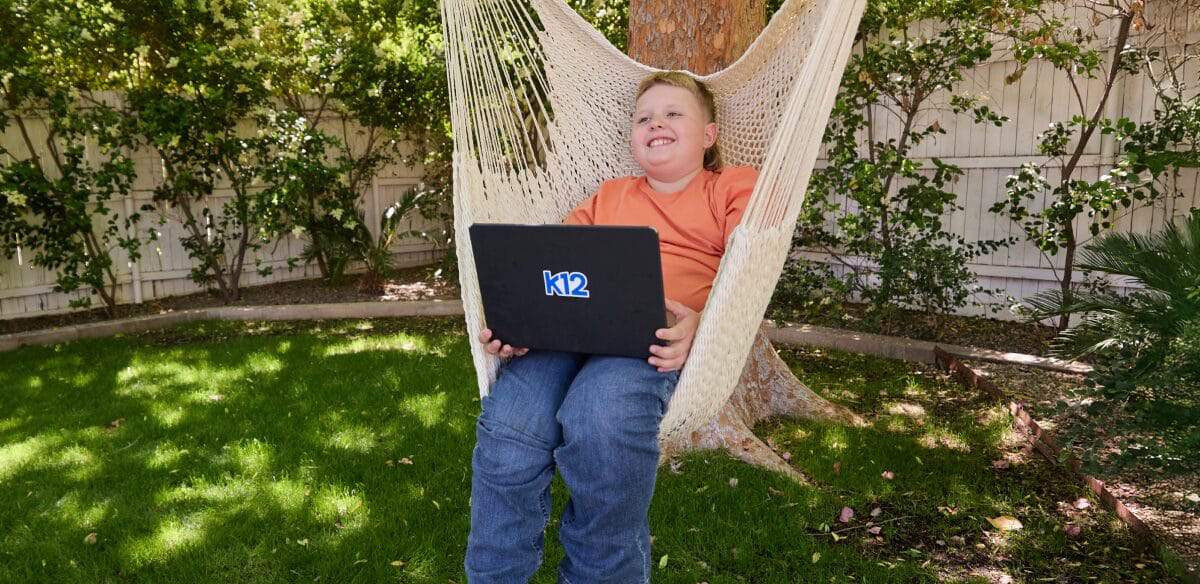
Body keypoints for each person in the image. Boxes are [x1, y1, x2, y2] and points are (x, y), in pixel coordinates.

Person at [465, 71, 759, 583]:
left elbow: (748, 269)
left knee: (600, 420)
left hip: (650, 342)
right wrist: (518, 320)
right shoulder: (610, 196)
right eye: (644, 117)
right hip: (565, 334)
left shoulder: (732, 186)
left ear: (708, 135)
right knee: (510, 431)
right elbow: (548, 266)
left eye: (673, 113)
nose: (656, 123)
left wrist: (705, 326)